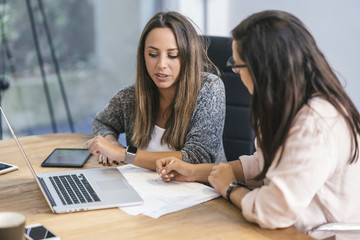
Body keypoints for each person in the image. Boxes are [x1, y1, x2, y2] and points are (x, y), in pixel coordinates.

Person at [156, 10, 360, 236]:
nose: (236, 73)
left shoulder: (316, 122)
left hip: (316, 234)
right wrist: (195, 172)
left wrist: (230, 188)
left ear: (262, 70)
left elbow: (273, 211)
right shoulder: (286, 105)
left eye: (237, 66)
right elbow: (262, 163)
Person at [86, 11, 226, 170]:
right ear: (143, 55)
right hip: (142, 188)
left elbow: (198, 157)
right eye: (153, 54)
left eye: (172, 55)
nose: (161, 64)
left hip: (199, 191)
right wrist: (110, 142)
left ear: (188, 56)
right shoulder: (130, 96)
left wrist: (123, 153)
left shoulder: (209, 88)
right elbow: (102, 122)